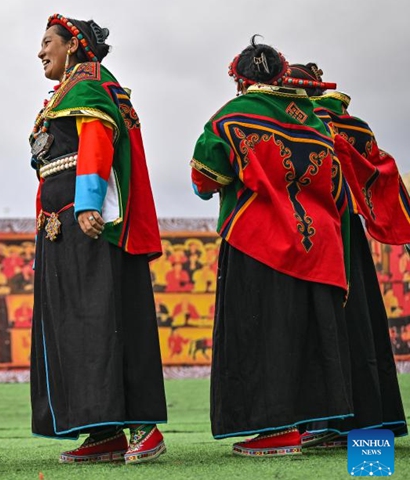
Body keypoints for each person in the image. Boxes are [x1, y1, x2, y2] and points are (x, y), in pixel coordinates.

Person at [190, 37, 354, 457]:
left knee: (259, 332)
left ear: (240, 81)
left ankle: (275, 429)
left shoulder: (232, 116)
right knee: (306, 334)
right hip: (318, 243)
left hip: (258, 238)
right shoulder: (315, 122)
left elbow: (205, 176)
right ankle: (309, 424)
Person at [29, 14, 167, 465]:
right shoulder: (69, 90)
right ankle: (103, 430)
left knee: (108, 320)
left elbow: (95, 140)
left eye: (48, 41)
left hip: (88, 224)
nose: (40, 51)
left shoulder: (89, 84)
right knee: (81, 329)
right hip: (61, 227)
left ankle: (143, 427)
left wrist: (89, 204)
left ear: (73, 45)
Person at [285, 64, 409, 447]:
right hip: (347, 230)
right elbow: (381, 171)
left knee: (320, 322)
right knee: (358, 324)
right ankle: (369, 422)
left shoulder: (299, 124)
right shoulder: (350, 125)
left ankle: (325, 423)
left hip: (311, 231)